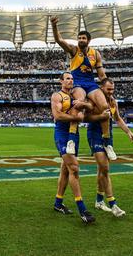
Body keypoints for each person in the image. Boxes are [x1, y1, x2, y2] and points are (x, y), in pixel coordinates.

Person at [50, 16, 115, 160]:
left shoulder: (95, 54)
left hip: (90, 83)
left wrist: (107, 88)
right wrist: (54, 26)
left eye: (84, 38)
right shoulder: (74, 50)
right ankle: (71, 139)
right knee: (79, 102)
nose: (81, 40)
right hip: (77, 82)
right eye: (79, 37)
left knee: (105, 106)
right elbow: (59, 41)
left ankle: (107, 142)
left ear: (89, 40)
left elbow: (101, 73)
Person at [86, 78, 133, 218]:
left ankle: (99, 201)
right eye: (108, 89)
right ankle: (113, 203)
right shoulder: (93, 100)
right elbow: (86, 118)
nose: (111, 92)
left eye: (112, 89)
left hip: (109, 136)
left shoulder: (113, 101)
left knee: (102, 169)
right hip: (95, 134)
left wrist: (128, 131)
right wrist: (100, 116)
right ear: (101, 88)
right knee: (105, 168)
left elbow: (118, 119)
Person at [51, 72, 95, 224]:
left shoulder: (77, 96)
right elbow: (58, 116)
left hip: (75, 134)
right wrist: (76, 117)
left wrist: (83, 105)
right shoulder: (57, 96)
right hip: (62, 134)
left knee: (65, 169)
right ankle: (82, 209)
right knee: (74, 168)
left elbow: (90, 107)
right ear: (61, 81)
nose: (70, 81)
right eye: (67, 78)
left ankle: (58, 203)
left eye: (71, 79)